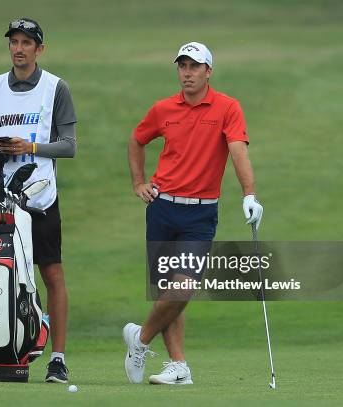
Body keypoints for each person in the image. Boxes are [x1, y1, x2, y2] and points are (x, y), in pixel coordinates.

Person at [124, 41, 263, 385]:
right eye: (182, 66)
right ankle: (178, 366)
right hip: (162, 207)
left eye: (194, 67)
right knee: (166, 291)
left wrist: (249, 194)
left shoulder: (228, 107)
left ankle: (139, 340)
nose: (187, 73)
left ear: (208, 71)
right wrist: (139, 181)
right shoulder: (163, 109)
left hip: (200, 215)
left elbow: (237, 152)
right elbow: (137, 139)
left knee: (182, 287)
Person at [0, 17, 77, 383]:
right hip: (0, 199)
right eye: (14, 42)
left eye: (26, 43)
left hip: (39, 196)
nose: (19, 48)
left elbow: (69, 146)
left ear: (39, 49)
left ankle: (58, 359)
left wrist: (28, 147)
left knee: (50, 273)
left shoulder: (55, 88)